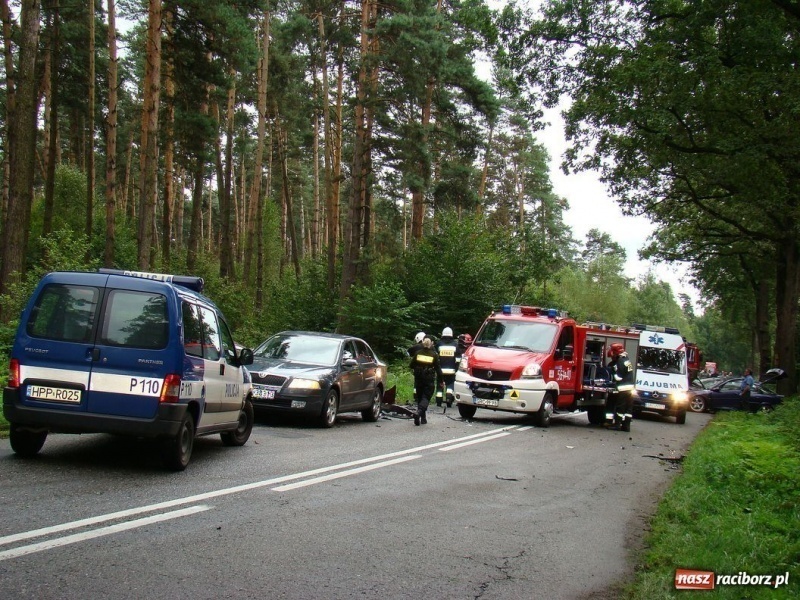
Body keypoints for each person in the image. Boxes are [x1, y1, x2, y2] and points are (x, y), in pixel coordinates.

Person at [409, 336, 444, 426]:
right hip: (429, 378)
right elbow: (438, 369)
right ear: (431, 344)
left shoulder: (418, 353)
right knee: (426, 397)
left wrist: (418, 367)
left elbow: (411, 365)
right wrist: (441, 380)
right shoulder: (434, 355)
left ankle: (423, 418)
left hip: (418, 378)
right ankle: (419, 413)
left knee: (420, 397)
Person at [606, 342, 635, 432]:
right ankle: (626, 426)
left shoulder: (620, 361)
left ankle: (617, 424)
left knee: (620, 407)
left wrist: (613, 373)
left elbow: (619, 377)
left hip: (623, 388)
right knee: (628, 409)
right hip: (629, 388)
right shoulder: (626, 359)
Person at [435, 327, 458, 407]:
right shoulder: (455, 344)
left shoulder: (439, 344)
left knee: (440, 385)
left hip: (440, 370)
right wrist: (456, 369)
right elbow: (458, 359)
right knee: (450, 385)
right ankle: (448, 399)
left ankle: (438, 402)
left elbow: (435, 357)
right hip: (451, 371)